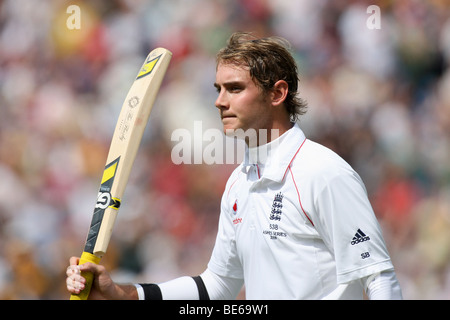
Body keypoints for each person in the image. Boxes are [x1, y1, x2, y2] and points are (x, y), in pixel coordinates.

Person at [66, 32, 403, 300]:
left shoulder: (324, 173)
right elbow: (216, 288)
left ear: (277, 93)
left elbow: (378, 278)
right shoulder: (238, 184)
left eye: (235, 89)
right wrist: (124, 295)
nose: (219, 101)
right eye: (218, 89)